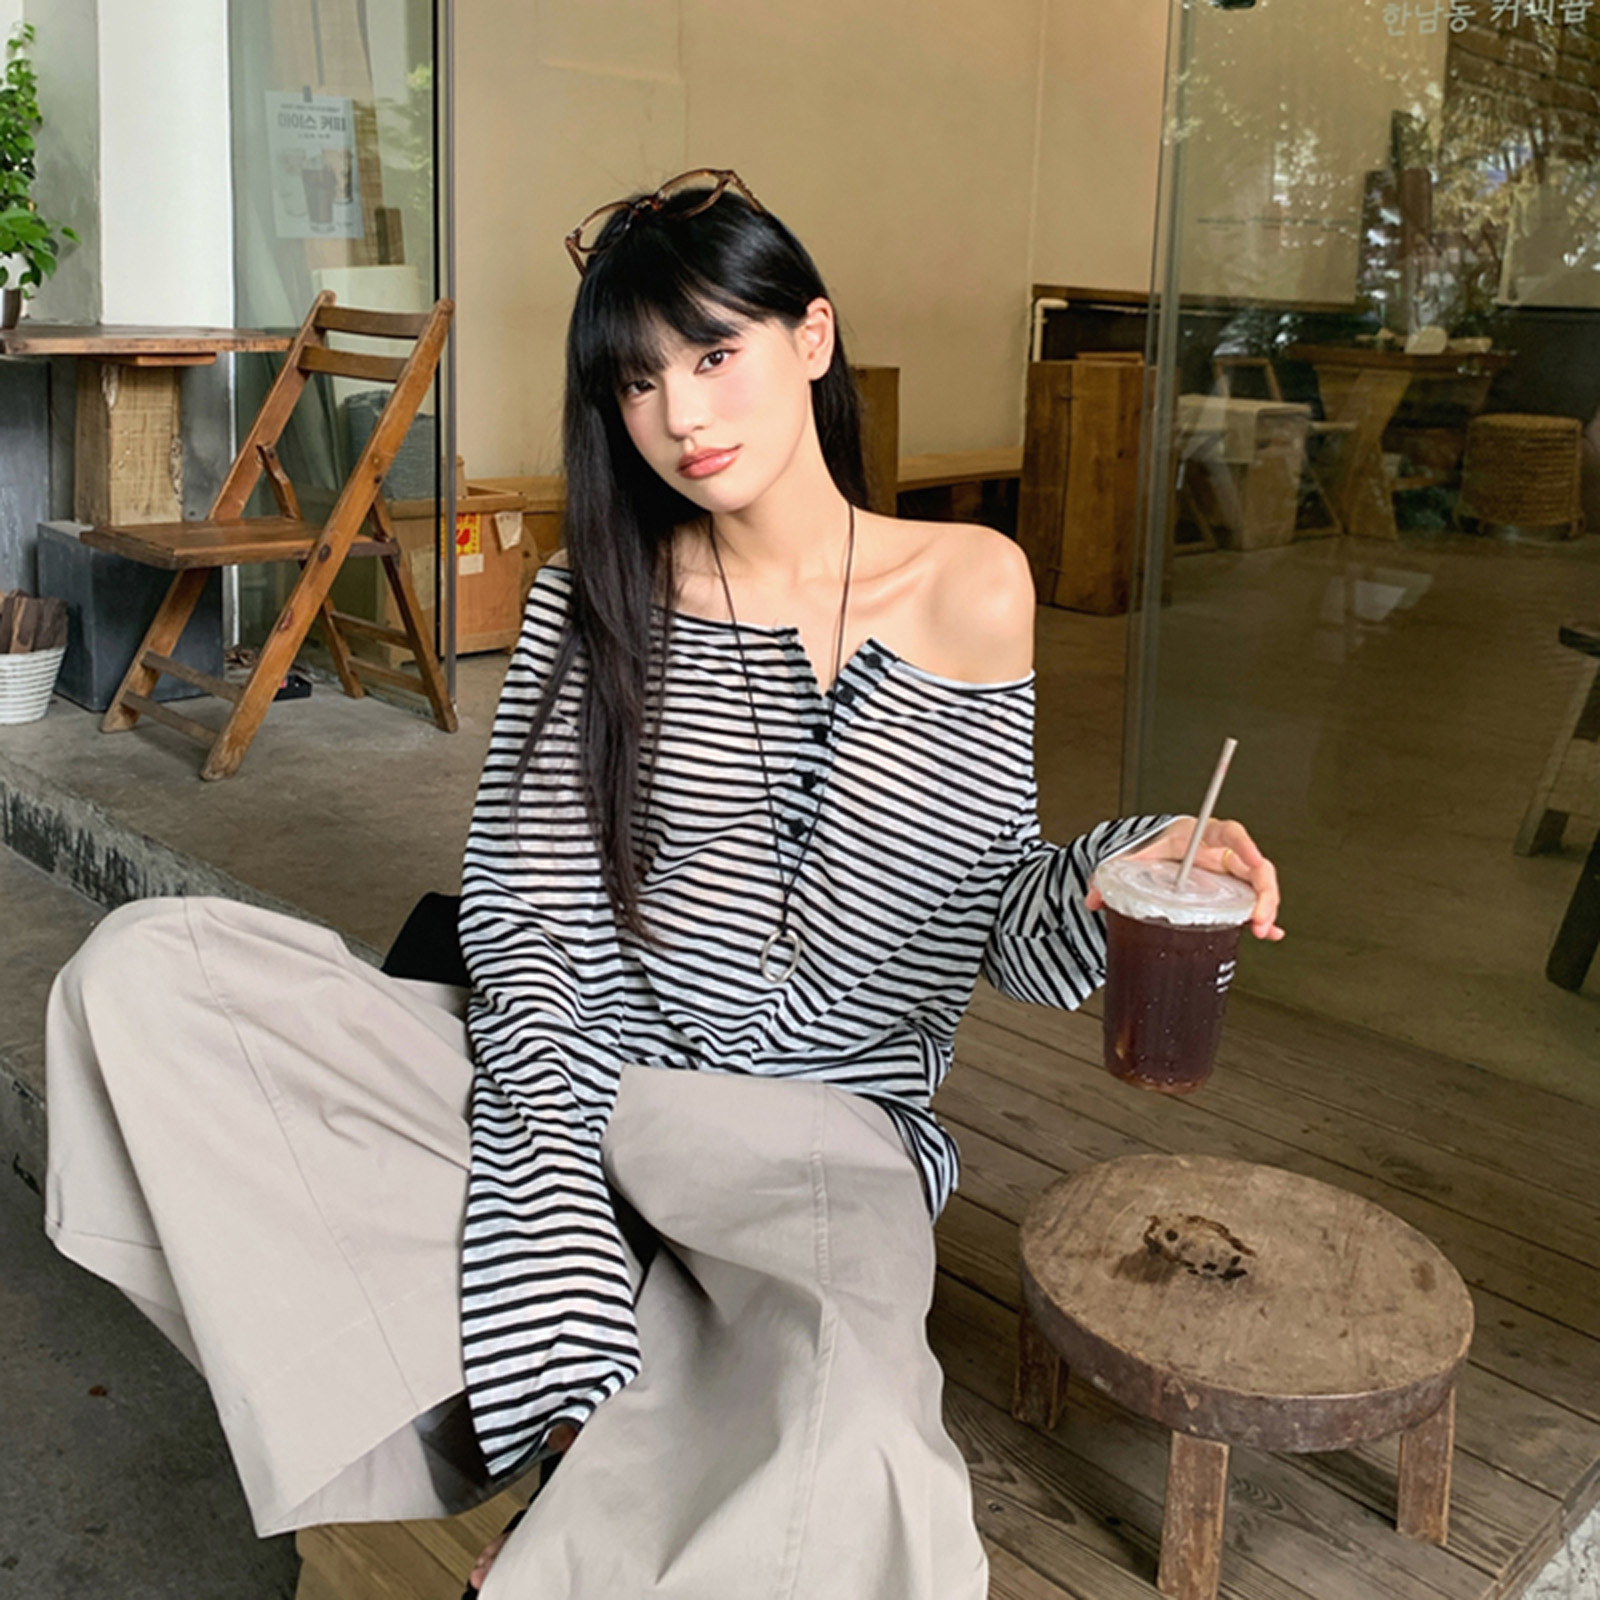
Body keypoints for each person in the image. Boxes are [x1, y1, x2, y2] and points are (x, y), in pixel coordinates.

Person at [43, 169, 1282, 1600]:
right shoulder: (597, 595)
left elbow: (986, 896)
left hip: (823, 1131)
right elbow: (524, 920)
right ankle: (576, 1374)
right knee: (153, 977)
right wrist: (558, 1205)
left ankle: (612, 1442)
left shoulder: (973, 584)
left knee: (858, 1451)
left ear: (811, 337)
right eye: (638, 382)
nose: (681, 414)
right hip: (589, 1077)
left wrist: (1116, 877)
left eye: (713, 354)